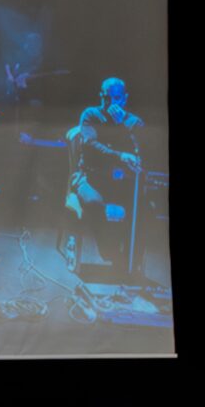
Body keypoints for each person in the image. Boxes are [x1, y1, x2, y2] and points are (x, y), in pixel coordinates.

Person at [71, 77, 143, 267]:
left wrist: (122, 126)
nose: (111, 103)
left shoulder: (133, 122)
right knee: (95, 202)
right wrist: (120, 156)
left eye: (117, 98)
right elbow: (92, 146)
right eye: (107, 97)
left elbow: (142, 149)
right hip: (90, 177)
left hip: (121, 182)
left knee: (143, 207)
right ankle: (110, 252)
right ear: (101, 97)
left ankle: (131, 261)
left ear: (125, 99)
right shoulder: (91, 115)